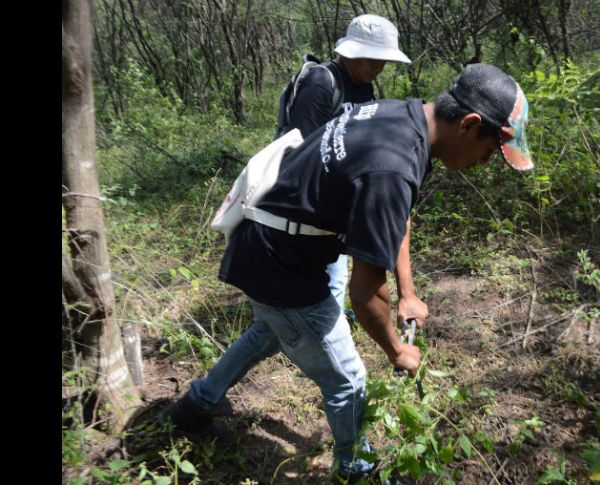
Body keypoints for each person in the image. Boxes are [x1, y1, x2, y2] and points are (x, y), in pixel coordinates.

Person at [161, 63, 533, 483]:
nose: (483, 164)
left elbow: (396, 216)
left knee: (267, 332)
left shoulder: (404, 116)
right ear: (469, 124)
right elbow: (365, 292)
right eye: (488, 153)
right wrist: (397, 351)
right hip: (281, 266)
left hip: (264, 245)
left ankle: (195, 406)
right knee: (349, 380)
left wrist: (408, 291)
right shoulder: (394, 162)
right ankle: (359, 471)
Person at [282, 14, 422, 323]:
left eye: (383, 61)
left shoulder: (365, 89)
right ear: (351, 53)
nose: (379, 67)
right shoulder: (322, 83)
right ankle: (330, 329)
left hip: (346, 188)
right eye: (373, 59)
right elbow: (302, 148)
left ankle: (328, 315)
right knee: (332, 274)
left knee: (337, 270)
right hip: (317, 193)